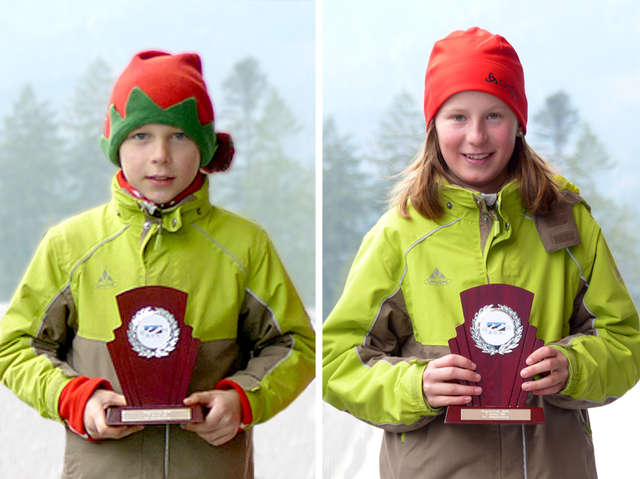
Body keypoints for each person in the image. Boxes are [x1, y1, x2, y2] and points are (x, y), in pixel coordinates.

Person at [322, 27, 640, 479]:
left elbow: (624, 340)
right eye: (457, 117)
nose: (476, 136)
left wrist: (573, 367)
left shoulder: (568, 223)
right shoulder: (400, 234)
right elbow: (339, 362)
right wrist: (417, 385)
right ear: (433, 125)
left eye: (494, 115)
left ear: (519, 123)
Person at [0, 51, 315, 479]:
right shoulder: (70, 245)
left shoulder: (244, 246)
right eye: (141, 136)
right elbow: (14, 346)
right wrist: (76, 398)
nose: (161, 155)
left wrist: (242, 399)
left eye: (180, 136)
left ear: (205, 146)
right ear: (116, 144)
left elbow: (295, 345)